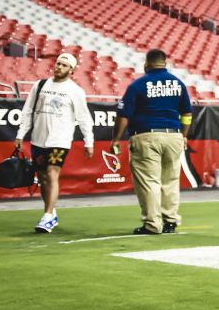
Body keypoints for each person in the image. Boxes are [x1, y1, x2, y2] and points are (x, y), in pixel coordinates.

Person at [109, 49, 192, 235]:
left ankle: (153, 224)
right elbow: (187, 114)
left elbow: (123, 115)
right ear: (165, 63)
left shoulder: (138, 85)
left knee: (149, 182)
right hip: (174, 136)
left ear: (147, 64)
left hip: (146, 136)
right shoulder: (178, 84)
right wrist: (184, 135)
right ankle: (170, 221)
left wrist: (115, 139)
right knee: (170, 181)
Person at [14, 53, 94, 233]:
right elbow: (27, 111)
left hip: (60, 139)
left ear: (71, 70)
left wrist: (89, 142)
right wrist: (20, 134)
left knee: (51, 173)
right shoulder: (40, 85)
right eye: (58, 63)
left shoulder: (75, 91)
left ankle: (48, 216)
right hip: (38, 139)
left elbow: (84, 118)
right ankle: (51, 213)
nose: (59, 67)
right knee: (42, 177)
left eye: (64, 65)